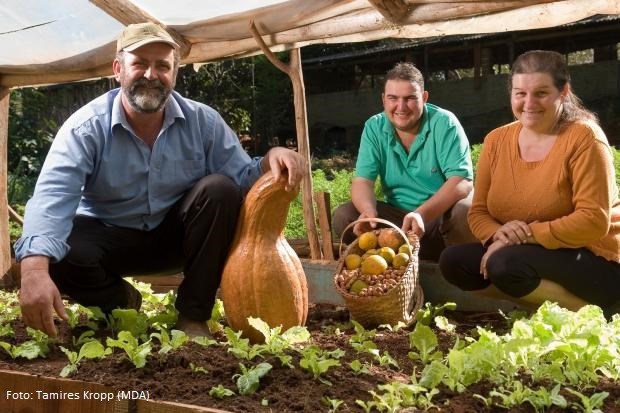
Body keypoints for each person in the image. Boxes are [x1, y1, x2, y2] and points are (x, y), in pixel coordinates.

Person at [13, 22, 305, 338]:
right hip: (109, 241)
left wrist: (269, 160)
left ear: (174, 74)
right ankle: (119, 302)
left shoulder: (203, 122)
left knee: (220, 190)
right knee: (54, 249)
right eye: (139, 63)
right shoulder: (85, 128)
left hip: (175, 239)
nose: (151, 75)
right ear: (118, 69)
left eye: (162, 66)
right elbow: (52, 197)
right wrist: (33, 271)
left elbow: (241, 176)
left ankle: (193, 317)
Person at [439, 50, 620, 317]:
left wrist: (522, 236)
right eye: (520, 93)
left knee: (504, 263)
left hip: (597, 260)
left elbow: (593, 220)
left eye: (541, 93)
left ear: (563, 92)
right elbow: (478, 212)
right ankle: (552, 308)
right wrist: (498, 235)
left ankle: (597, 315)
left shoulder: (584, 138)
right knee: (454, 262)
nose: (529, 103)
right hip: (528, 254)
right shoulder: (496, 141)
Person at [332, 62, 476, 260]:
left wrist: (422, 214)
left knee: (465, 211)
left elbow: (462, 182)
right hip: (398, 221)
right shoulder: (374, 127)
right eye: (393, 98)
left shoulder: (444, 123)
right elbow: (362, 181)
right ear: (384, 100)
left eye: (410, 99)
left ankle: (456, 267)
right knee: (344, 215)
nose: (401, 107)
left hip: (438, 218)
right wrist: (368, 212)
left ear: (424, 98)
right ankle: (385, 265)